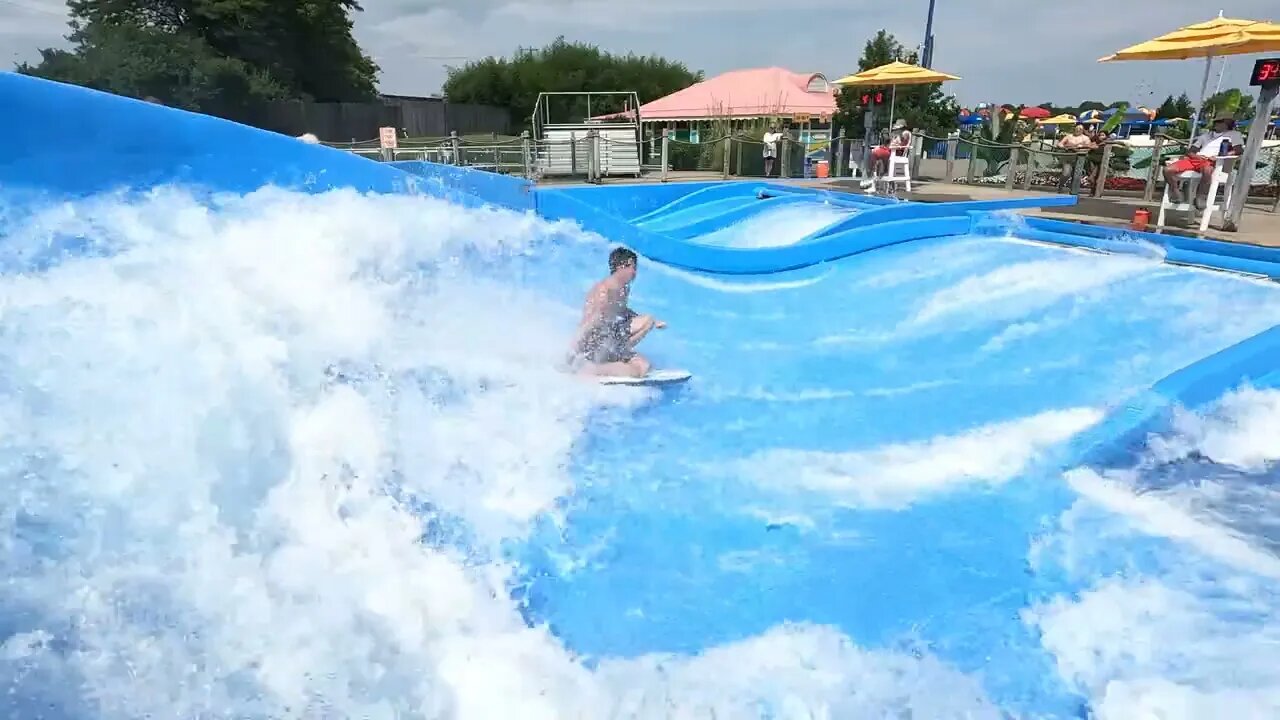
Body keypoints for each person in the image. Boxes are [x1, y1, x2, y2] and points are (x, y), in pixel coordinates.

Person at [567, 247, 665, 378]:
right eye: (632, 267)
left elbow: (622, 311)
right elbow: (590, 321)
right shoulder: (604, 290)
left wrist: (655, 322)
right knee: (636, 372)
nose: (635, 272)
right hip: (595, 341)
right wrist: (572, 350)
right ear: (620, 267)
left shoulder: (623, 288)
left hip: (611, 335)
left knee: (645, 365)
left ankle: (616, 355)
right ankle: (592, 369)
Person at [1162, 115, 1244, 207]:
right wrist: (1196, 156)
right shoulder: (1206, 135)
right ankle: (1176, 192)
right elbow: (1190, 151)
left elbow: (1239, 150)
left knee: (1207, 170)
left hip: (1213, 160)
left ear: (1227, 123)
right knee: (1167, 170)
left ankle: (1201, 197)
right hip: (1197, 159)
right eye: (1216, 121)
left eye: (1220, 121)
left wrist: (1222, 155)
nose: (1216, 123)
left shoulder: (1234, 134)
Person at [1055, 124, 1095, 193]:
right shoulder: (1069, 136)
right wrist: (1064, 146)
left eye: (1080, 129)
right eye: (1077, 128)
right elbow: (1060, 144)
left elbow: (1088, 148)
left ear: (1082, 130)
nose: (1078, 130)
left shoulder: (1085, 138)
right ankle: (1060, 186)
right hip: (1069, 156)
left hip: (1080, 157)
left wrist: (1080, 148)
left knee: (1076, 175)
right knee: (1066, 173)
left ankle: (1073, 190)